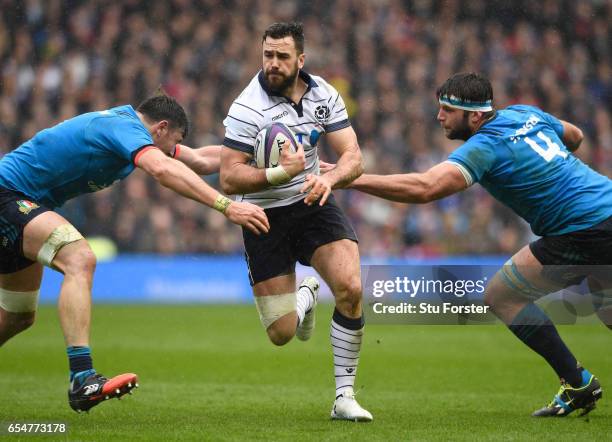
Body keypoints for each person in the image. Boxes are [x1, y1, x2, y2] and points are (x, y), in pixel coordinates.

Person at [338, 72, 611, 417]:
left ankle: (577, 382)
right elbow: (576, 135)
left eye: (448, 111)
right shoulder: (524, 112)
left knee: (502, 295)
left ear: (476, 116)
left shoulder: (485, 147)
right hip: (605, 207)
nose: (439, 117)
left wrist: (351, 179)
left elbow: (425, 188)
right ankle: (578, 384)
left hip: (582, 229)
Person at [0, 94, 269, 413]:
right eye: (175, 142)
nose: (173, 151)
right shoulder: (123, 126)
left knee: (19, 316)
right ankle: (82, 378)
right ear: (162, 128)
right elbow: (162, 169)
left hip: (22, 205)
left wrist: (261, 153)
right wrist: (226, 205)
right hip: (8, 195)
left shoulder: (134, 133)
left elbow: (199, 159)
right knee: (79, 257)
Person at [218, 22, 372, 421]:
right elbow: (229, 176)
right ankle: (305, 296)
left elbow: (353, 157)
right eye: (267, 54)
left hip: (311, 201)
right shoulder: (246, 107)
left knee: (351, 287)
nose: (273, 63)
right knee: (282, 333)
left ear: (300, 60)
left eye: (282, 56)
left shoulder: (325, 94)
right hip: (261, 214)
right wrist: (277, 175)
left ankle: (344, 397)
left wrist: (330, 178)